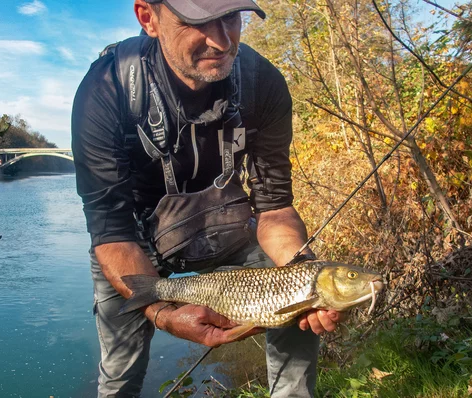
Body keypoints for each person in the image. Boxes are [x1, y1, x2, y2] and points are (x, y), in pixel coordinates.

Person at [71, 1, 344, 396]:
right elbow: (112, 233)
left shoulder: (262, 83)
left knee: (297, 295)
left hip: (227, 222)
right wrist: (162, 314)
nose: (220, 40)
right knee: (120, 367)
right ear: (149, 18)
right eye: (194, 22)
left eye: (230, 18)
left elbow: (275, 208)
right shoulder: (106, 90)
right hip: (136, 239)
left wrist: (303, 278)